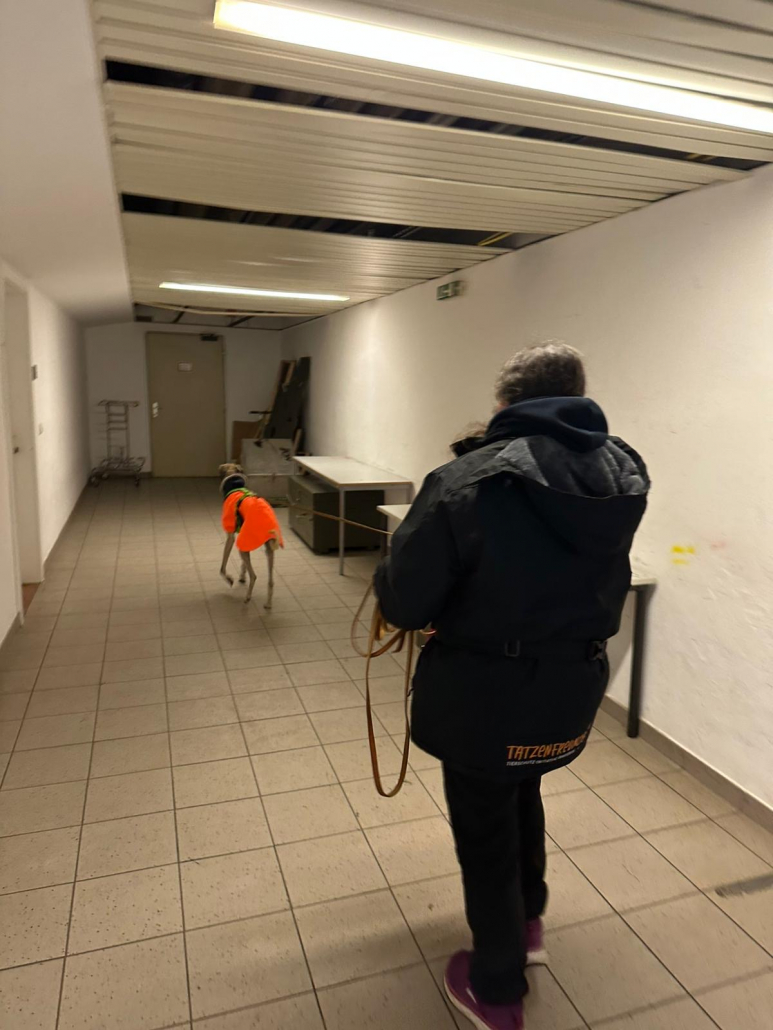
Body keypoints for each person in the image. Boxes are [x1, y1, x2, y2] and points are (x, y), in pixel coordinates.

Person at [374, 342, 649, 1030]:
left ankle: (496, 992)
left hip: (484, 695)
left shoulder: (465, 480)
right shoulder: (621, 472)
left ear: (504, 403)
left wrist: (393, 567)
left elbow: (405, 603)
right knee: (522, 789)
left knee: (485, 828)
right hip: (569, 686)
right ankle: (528, 926)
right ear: (576, 395)